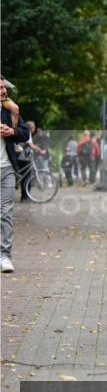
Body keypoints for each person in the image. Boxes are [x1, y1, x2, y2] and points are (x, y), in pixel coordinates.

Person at [1, 78, 30, 273]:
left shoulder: (7, 111)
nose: (4, 91)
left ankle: (5, 256)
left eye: (4, 87)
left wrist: (12, 131)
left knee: (5, 213)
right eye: (0, 88)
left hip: (6, 169)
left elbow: (24, 133)